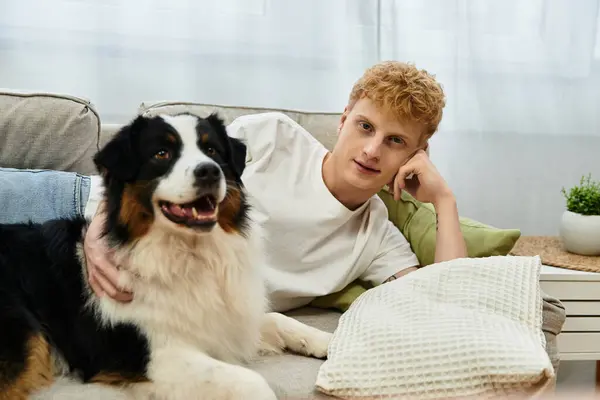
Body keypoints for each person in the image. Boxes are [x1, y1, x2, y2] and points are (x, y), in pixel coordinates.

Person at [0, 61, 468, 311]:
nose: (371, 151)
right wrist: (98, 230)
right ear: (344, 120)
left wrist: (444, 201)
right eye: (365, 127)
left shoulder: (376, 238)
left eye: (394, 142)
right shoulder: (273, 136)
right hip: (80, 204)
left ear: (414, 156)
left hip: (96, 289)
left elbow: (447, 299)